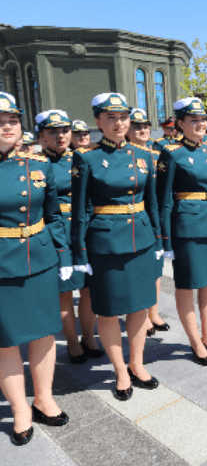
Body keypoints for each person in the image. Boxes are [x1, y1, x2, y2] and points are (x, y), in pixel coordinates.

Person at [71, 92, 162, 401]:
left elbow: (152, 203)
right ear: (98, 121)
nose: (119, 123)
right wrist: (79, 252)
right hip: (106, 243)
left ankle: (136, 363)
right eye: (111, 118)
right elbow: (81, 210)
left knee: (139, 306)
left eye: (123, 117)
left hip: (141, 240)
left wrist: (160, 241)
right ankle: (120, 370)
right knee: (109, 311)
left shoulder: (145, 155)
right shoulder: (86, 158)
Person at [0, 92, 72, 446]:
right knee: (6, 341)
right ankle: (19, 409)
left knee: (45, 332)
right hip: (1, 264)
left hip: (41, 259)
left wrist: (63, 257)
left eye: (11, 120)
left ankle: (43, 397)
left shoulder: (39, 165)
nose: (6, 127)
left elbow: (54, 216)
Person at [156, 98, 207, 366]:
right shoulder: (171, 154)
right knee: (187, 285)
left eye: (203, 120)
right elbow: (163, 199)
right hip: (186, 228)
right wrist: (165, 240)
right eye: (194, 120)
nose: (201, 124)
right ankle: (195, 341)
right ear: (180, 124)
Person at [36, 110, 103, 365]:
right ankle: (72, 343)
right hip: (55, 233)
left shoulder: (81, 159)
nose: (60, 136)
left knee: (88, 290)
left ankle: (89, 337)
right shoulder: (36, 164)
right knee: (64, 292)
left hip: (84, 230)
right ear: (42, 136)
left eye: (64, 131)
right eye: (52, 132)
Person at [126, 108, 169, 336]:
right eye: (137, 126)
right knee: (138, 271)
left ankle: (153, 312)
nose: (143, 130)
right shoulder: (125, 154)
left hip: (156, 215)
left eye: (145, 126)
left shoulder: (157, 153)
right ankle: (140, 316)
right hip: (133, 218)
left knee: (156, 269)